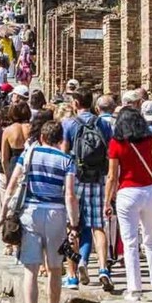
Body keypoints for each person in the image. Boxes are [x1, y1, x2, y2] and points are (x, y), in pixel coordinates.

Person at [0, 121, 79, 303]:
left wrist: (3, 215)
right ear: (61, 139)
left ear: (42, 137)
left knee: (30, 270)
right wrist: (73, 224)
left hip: (30, 213)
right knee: (55, 268)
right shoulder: (67, 161)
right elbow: (70, 195)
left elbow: (11, 186)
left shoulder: (28, 154)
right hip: (55, 215)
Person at [104, 106, 152, 301]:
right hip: (150, 191)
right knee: (151, 239)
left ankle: (135, 288)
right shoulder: (151, 139)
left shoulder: (116, 143)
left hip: (127, 193)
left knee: (130, 242)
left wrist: (107, 200)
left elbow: (112, 176)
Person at [60, 91, 113, 291]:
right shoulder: (104, 124)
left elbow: (64, 152)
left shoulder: (69, 124)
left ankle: (73, 275)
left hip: (75, 179)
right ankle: (102, 269)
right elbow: (109, 151)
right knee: (98, 226)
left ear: (75, 103)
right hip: (97, 179)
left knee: (72, 227)